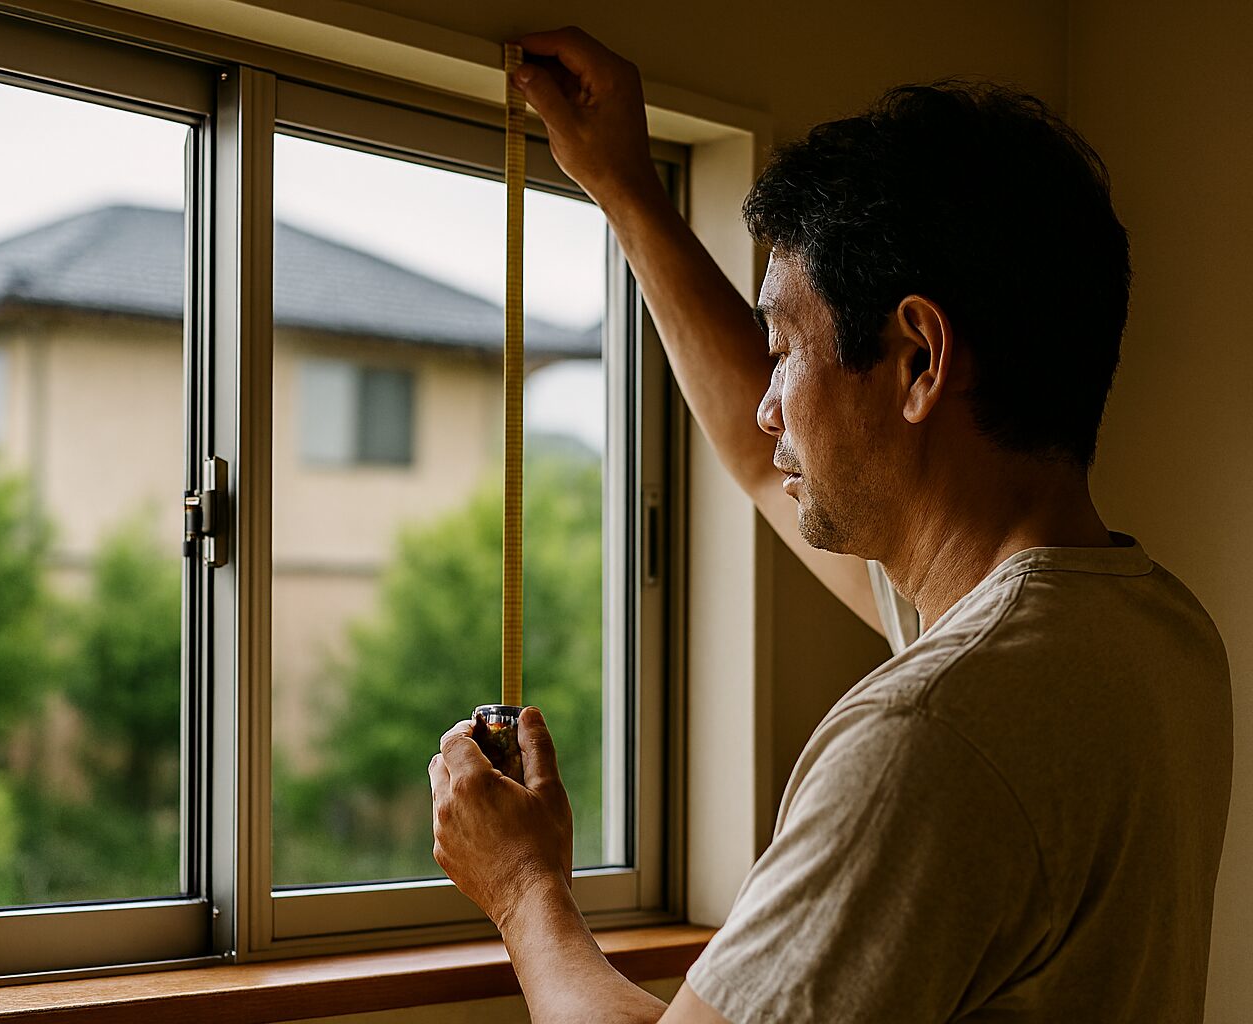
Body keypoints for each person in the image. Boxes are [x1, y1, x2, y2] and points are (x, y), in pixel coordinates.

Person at [428, 26, 1233, 1024]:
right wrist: (628, 188)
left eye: (782, 350)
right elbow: (764, 456)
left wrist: (522, 890)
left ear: (918, 361)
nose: (769, 408)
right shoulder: (1152, 636)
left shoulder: (934, 733)